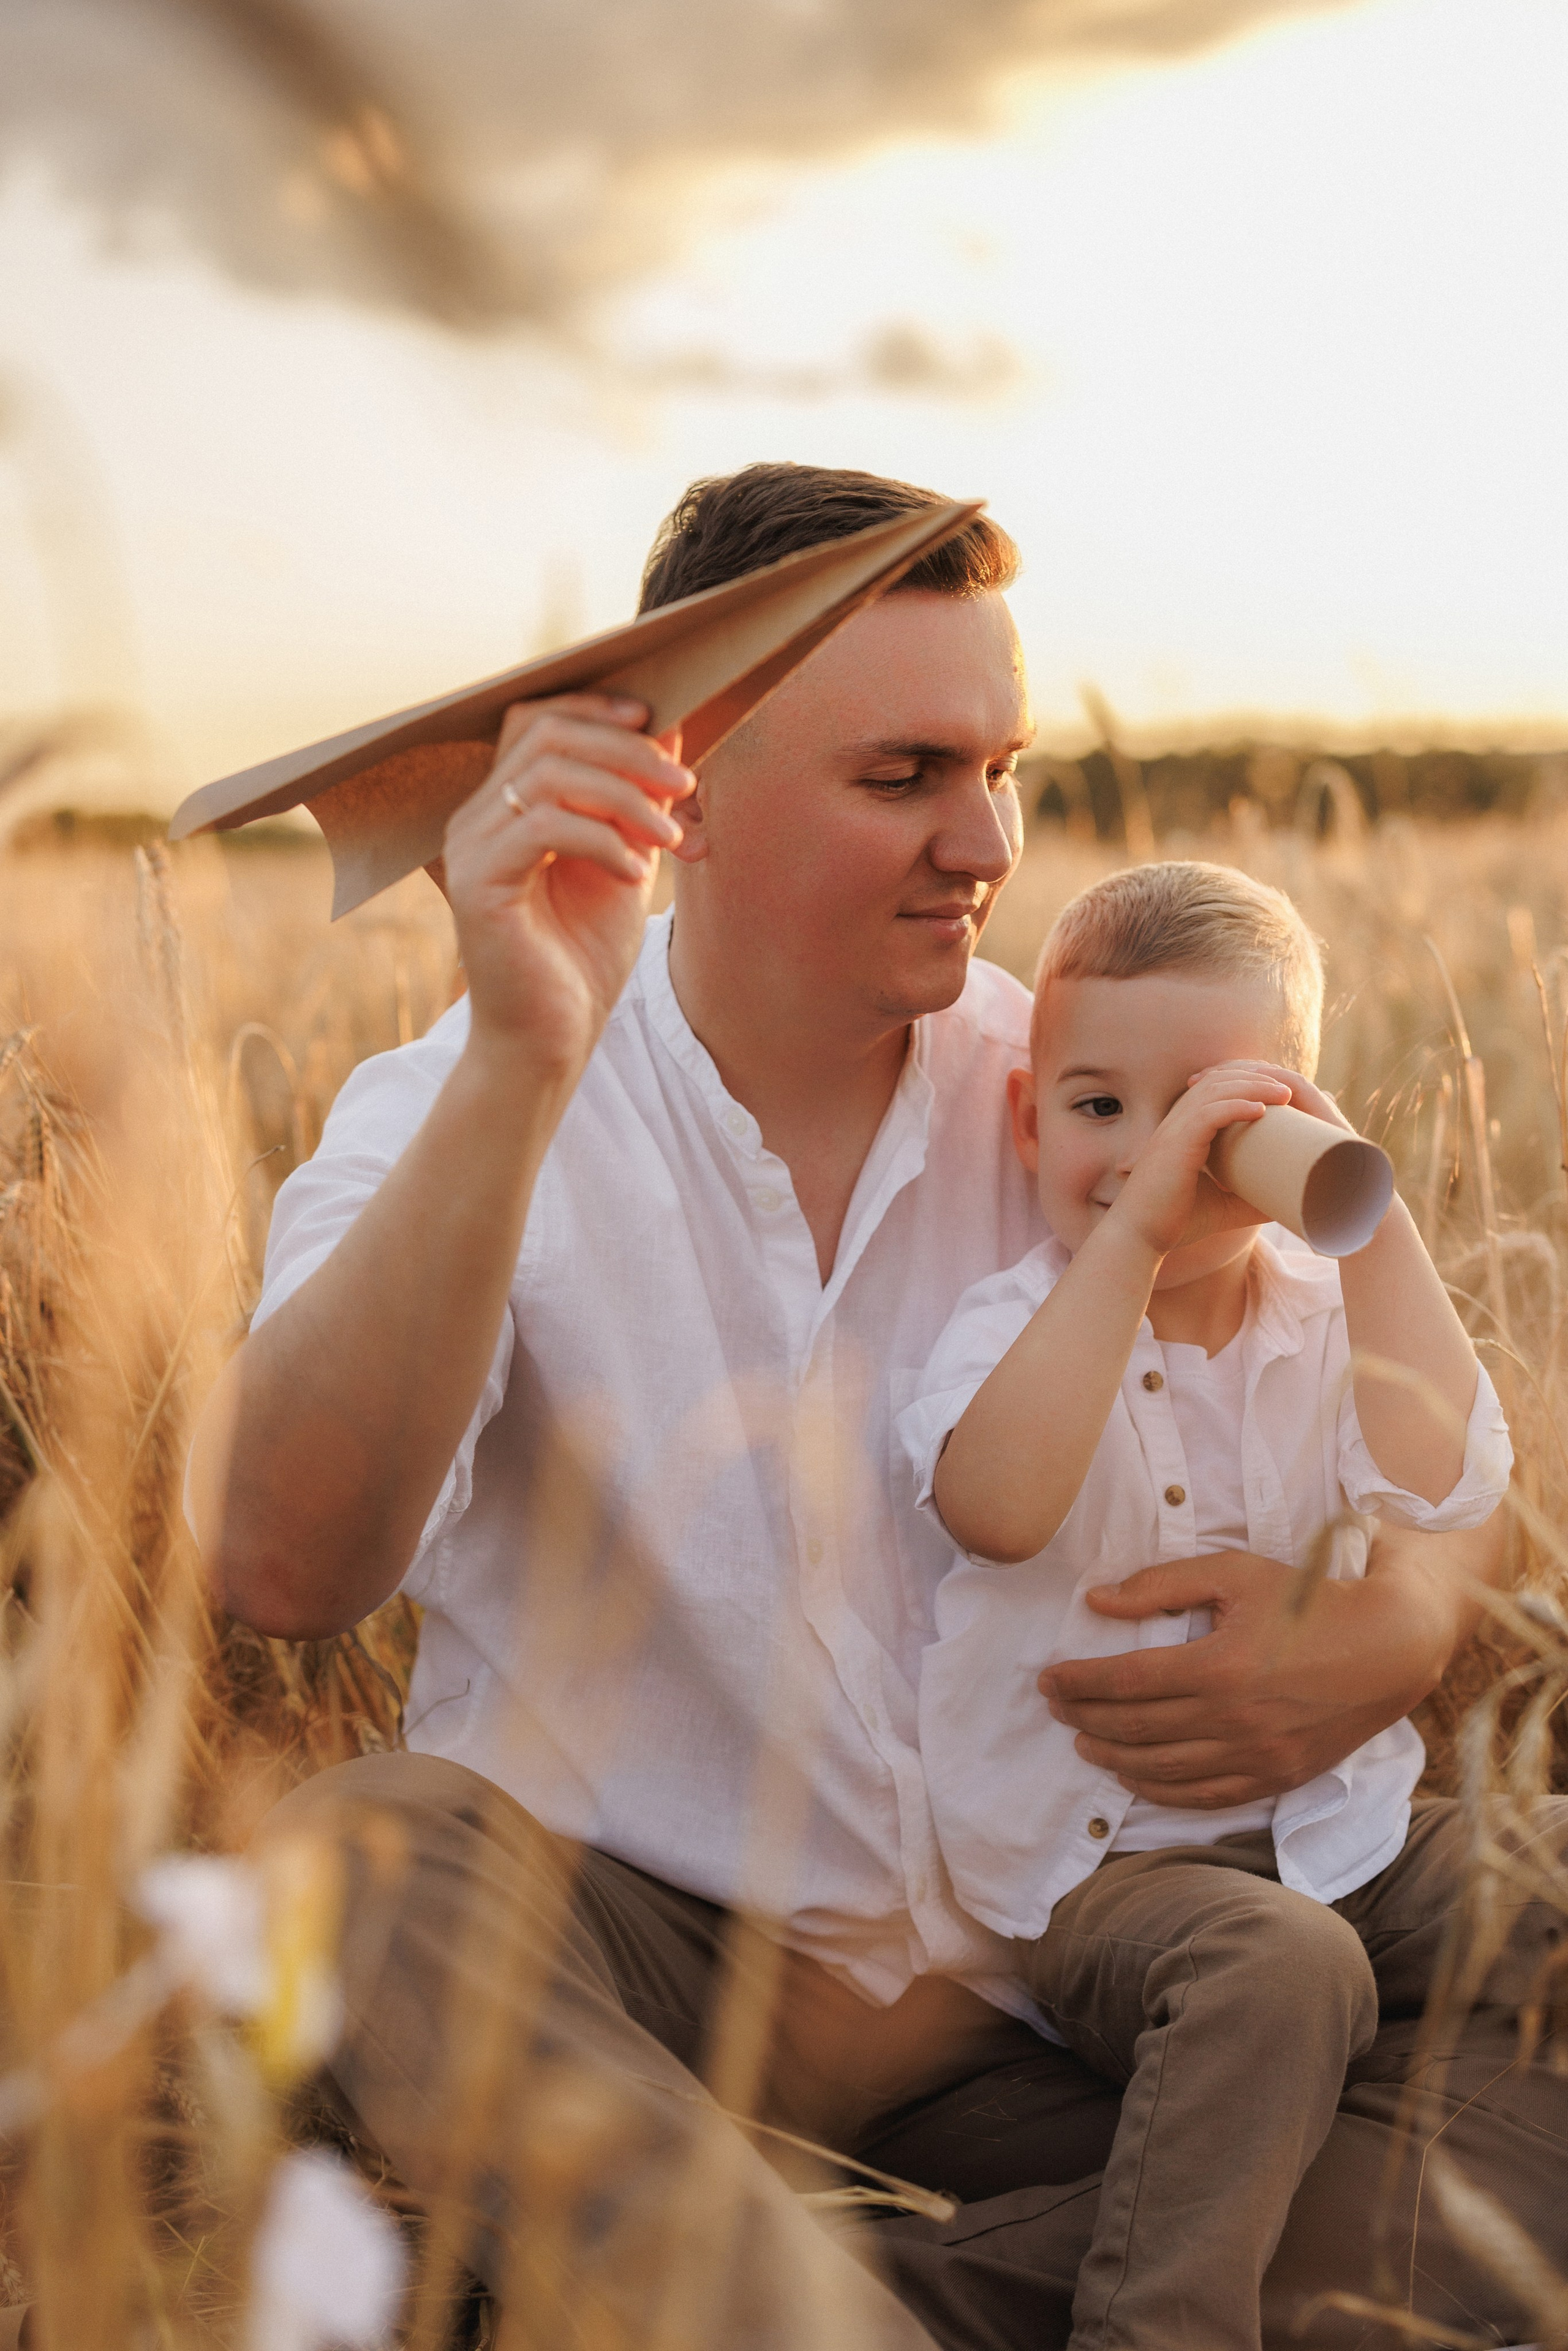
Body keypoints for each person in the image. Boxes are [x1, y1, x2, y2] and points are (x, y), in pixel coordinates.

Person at [189, 464, 1551, 2348]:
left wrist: (1392, 1624)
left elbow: (1403, 1409)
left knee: (1523, 2005)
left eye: (1004, 766)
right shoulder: (457, 1105)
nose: (986, 837)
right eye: (904, 774)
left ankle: (741, 2303)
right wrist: (525, 1049)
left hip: (1058, 1983)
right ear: (689, 789)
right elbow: (278, 1562)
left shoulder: (1092, 1097)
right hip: (659, 1985)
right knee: (355, 1859)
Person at [897, 861, 1519, 2350]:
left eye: (1205, 1113)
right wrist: (1124, 1244)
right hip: (1106, 1872)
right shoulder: (1007, 1326)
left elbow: (1442, 1485)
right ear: (1026, 1118)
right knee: (1280, 1969)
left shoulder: (1324, 1315)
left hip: (1350, 1830)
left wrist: (1362, 1222)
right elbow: (996, 1503)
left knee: (1546, 1867)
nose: (1150, 1151)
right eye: (1101, 1105)